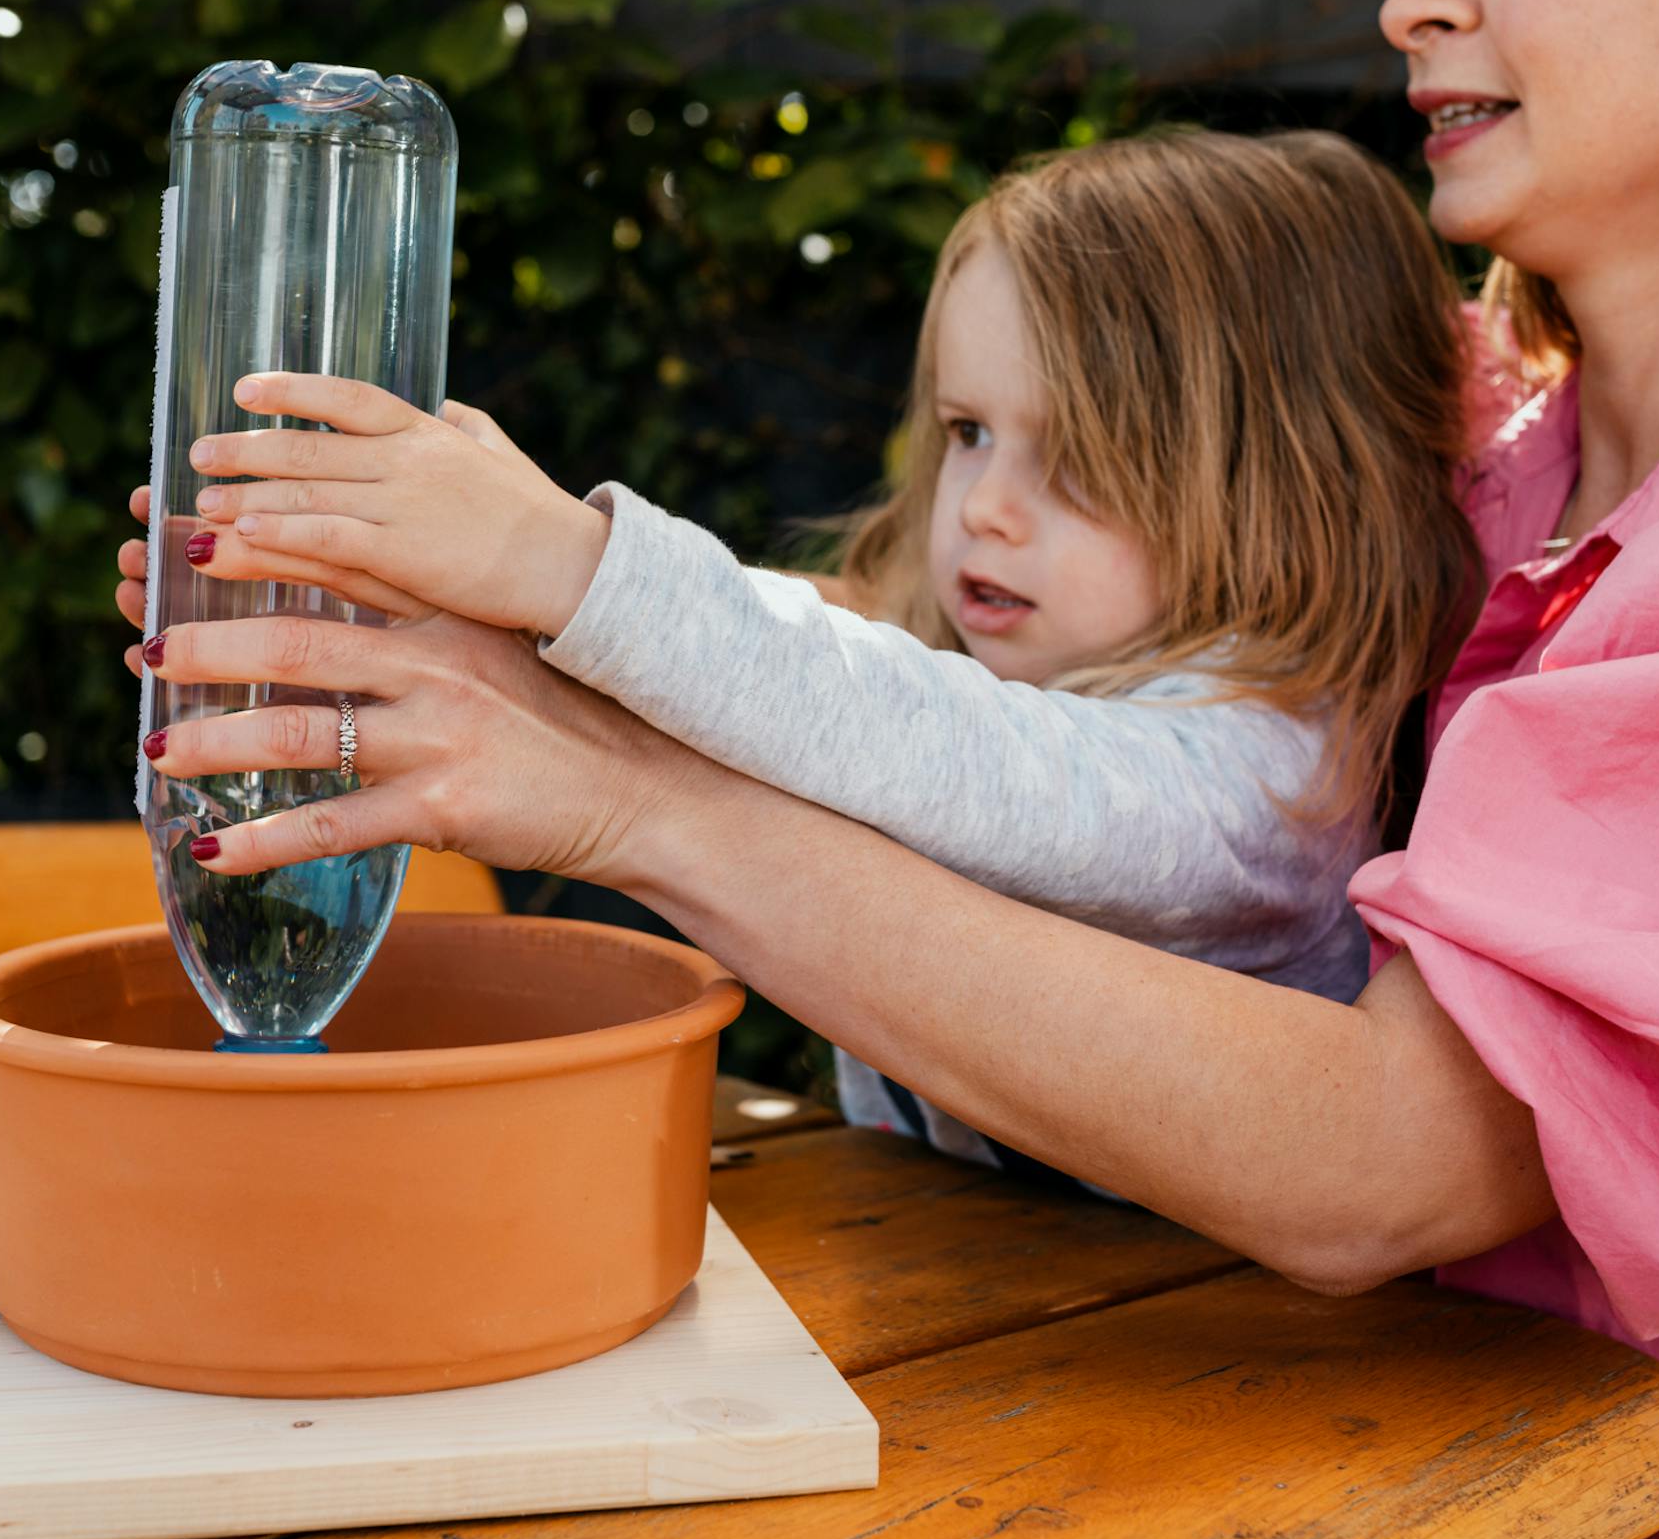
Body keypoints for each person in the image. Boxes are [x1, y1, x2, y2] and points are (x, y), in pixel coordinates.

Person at [115, 0, 1659, 1539]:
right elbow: (924, 681)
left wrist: (603, 697)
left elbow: (1380, 1160)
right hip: (1227, 1458)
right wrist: (475, 639)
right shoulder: (1467, 461)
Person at [138, 127, 1481, 1180]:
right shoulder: (969, 658)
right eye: (967, 432)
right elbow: (808, 668)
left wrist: (565, 566)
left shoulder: (1272, 773)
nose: (988, 507)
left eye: (1081, 458)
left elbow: (955, 758)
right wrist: (423, 613)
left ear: (1282, 486)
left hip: (1243, 1413)